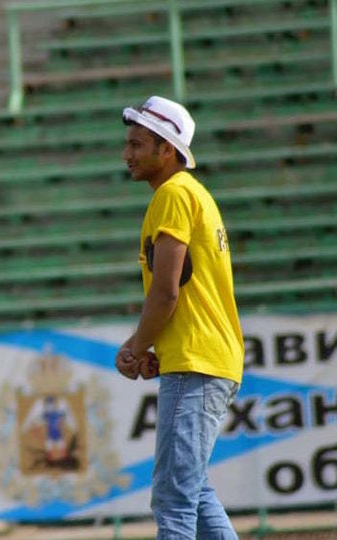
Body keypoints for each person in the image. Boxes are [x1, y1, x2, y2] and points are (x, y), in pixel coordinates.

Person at [114, 97, 244, 539]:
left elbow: (166, 290)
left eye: (137, 144)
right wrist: (153, 347)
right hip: (202, 358)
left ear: (166, 148)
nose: (127, 154)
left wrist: (137, 346)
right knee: (192, 489)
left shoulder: (172, 195)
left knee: (173, 497)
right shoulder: (194, 194)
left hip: (196, 362)